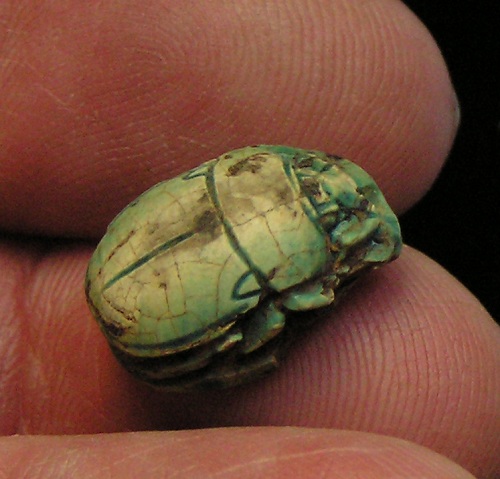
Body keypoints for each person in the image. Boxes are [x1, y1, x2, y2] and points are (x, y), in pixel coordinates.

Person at [0, 1, 498, 477]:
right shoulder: (285, 259)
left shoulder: (273, 189)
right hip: (166, 311)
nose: (339, 194)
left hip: (178, 273)